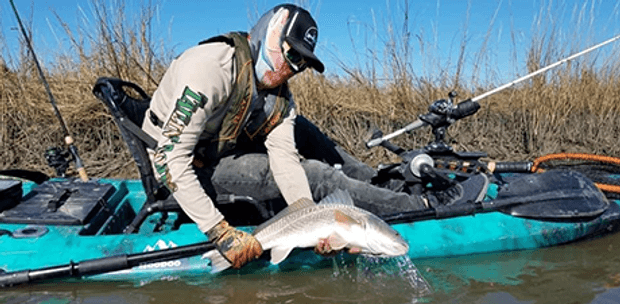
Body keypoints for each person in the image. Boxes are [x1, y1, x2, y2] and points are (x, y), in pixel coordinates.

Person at [142, 4, 488, 269]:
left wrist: (309, 216)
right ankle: (422, 208)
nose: (291, 69)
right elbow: (168, 160)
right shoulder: (209, 69)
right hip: (181, 167)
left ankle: (386, 186)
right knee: (317, 174)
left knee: (306, 133)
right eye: (290, 54)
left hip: (220, 147)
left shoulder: (279, 96)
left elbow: (284, 158)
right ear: (266, 34)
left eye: (301, 63)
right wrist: (220, 231)